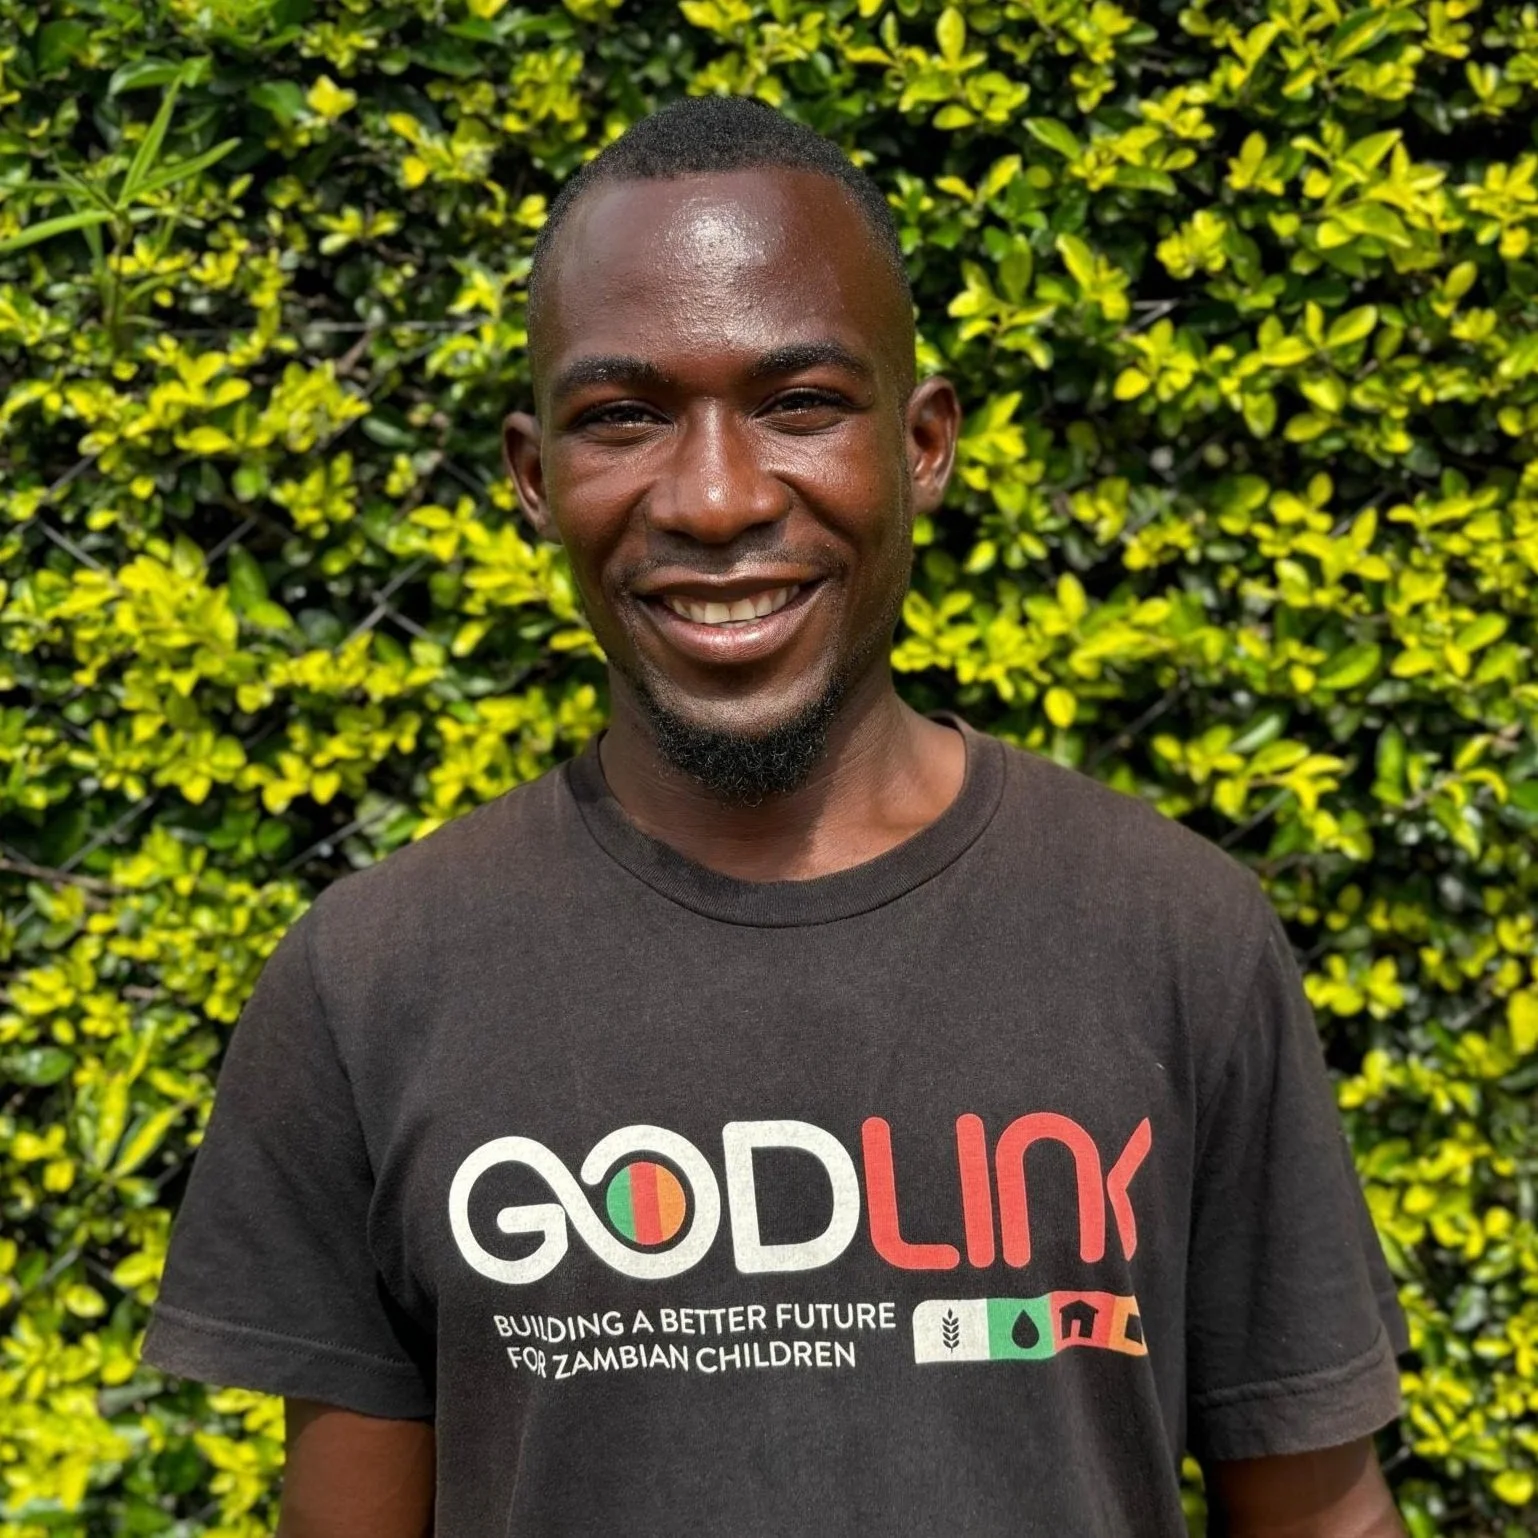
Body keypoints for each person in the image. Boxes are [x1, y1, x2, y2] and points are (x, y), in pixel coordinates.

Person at [142, 96, 1410, 1537]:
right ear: (531, 478)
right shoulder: (368, 983)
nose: (716, 496)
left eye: (798, 404)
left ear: (920, 442)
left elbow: (1317, 1515)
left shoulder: (1172, 934)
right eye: (622, 418)